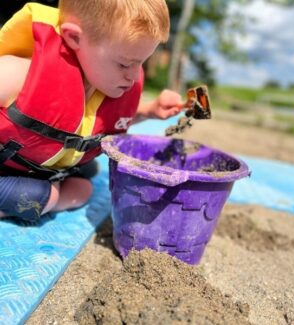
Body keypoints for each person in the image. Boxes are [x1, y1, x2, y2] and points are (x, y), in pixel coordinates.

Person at [0, 0, 183, 222]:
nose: (134, 76)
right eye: (124, 64)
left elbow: (106, 121)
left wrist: (148, 111)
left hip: (41, 165)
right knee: (39, 197)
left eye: (142, 63)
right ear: (75, 38)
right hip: (7, 165)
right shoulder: (19, 73)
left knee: (85, 183)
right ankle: (47, 198)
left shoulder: (102, 81)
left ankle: (51, 192)